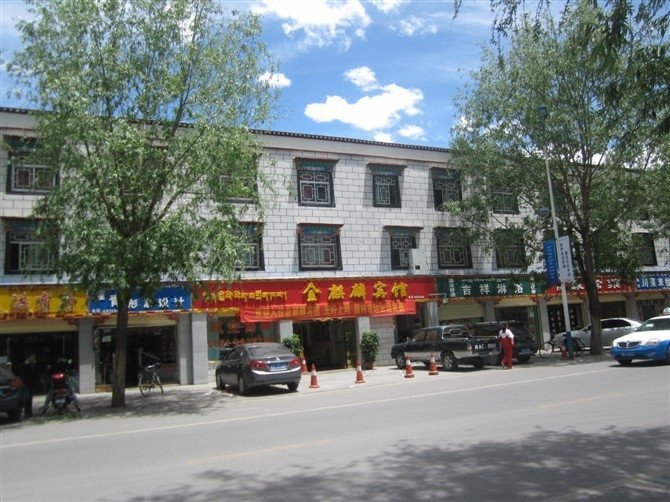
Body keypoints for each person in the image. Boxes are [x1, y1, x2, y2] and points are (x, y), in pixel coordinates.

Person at [20, 352, 40, 418]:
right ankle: (26, 413)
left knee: (30, 398)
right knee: (27, 398)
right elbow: (22, 374)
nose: (33, 359)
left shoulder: (35, 364)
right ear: (29, 358)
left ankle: (30, 413)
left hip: (32, 383)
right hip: (26, 384)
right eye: (32, 357)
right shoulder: (24, 364)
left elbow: (37, 373)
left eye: (34, 357)